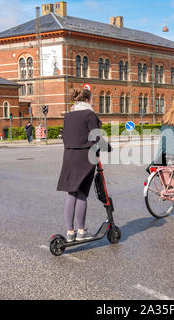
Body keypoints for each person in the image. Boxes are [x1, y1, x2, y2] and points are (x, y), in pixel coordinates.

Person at [57, 88, 111, 242]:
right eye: (93, 99)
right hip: (85, 157)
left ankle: (70, 232)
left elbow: (66, 136)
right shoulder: (89, 114)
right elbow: (96, 137)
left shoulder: (68, 116)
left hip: (68, 156)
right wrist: (109, 148)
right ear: (87, 100)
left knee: (71, 193)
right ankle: (81, 231)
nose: (94, 102)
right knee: (82, 193)